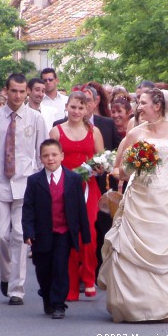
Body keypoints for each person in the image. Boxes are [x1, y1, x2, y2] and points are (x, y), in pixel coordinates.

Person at [98, 88, 168, 323]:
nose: (138, 107)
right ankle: (138, 304)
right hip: (140, 198)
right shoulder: (134, 134)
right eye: (139, 103)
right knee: (134, 250)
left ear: (157, 106)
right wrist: (132, 167)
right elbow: (118, 171)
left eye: (142, 102)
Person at [0, 73, 47, 305]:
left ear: (28, 92)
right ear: (6, 90)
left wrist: (44, 186)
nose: (18, 96)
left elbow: (42, 156)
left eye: (22, 91)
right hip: (0, 184)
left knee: (21, 237)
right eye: (14, 91)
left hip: (27, 185)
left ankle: (17, 289)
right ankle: (6, 274)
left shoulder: (35, 119)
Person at [22, 139, 90, 319]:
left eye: (54, 155)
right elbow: (28, 208)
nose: (50, 159)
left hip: (64, 233)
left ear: (62, 156)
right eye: (46, 156)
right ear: (40, 159)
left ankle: (59, 304)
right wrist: (28, 232)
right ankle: (47, 297)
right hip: (42, 233)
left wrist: (85, 235)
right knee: (43, 268)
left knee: (60, 267)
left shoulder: (73, 179)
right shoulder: (34, 181)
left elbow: (80, 208)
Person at [49, 91, 104, 301]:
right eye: (73, 107)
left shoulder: (94, 131)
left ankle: (89, 277)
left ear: (87, 109)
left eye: (81, 107)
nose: (76, 111)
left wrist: (98, 168)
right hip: (65, 189)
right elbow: (51, 160)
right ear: (67, 107)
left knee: (89, 232)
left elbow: (101, 158)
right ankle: (71, 284)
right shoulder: (56, 131)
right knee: (68, 234)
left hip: (88, 188)